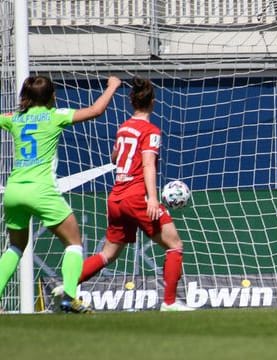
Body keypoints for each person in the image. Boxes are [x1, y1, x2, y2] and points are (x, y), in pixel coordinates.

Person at [55, 76, 193, 312]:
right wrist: (152, 197)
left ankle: (67, 287)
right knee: (174, 245)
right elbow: (149, 164)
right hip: (137, 196)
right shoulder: (151, 131)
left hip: (117, 197)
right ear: (153, 102)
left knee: (108, 253)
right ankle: (169, 303)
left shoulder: (124, 128)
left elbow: (114, 158)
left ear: (132, 102)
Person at [0, 75, 121, 313]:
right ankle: (70, 297)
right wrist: (112, 87)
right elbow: (96, 110)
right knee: (74, 243)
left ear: (24, 97)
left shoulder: (15, 119)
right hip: (42, 191)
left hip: (13, 191)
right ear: (52, 96)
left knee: (15, 247)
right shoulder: (56, 116)